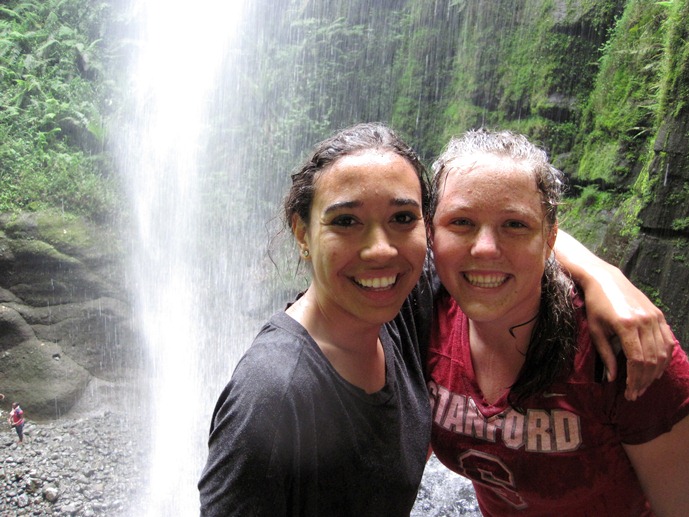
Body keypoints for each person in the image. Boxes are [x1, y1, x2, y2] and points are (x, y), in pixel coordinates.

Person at [198, 123, 674, 516]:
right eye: (345, 221)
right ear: (302, 232)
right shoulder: (273, 391)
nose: (380, 248)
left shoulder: (405, 299)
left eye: (402, 218)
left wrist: (602, 276)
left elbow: (500, 219)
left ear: (423, 229)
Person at [427, 128, 689, 516]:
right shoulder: (422, 316)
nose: (485, 248)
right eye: (461, 222)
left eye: (514, 225)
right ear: (430, 234)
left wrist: (601, 275)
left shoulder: (625, 354)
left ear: (549, 238)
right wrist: (600, 272)